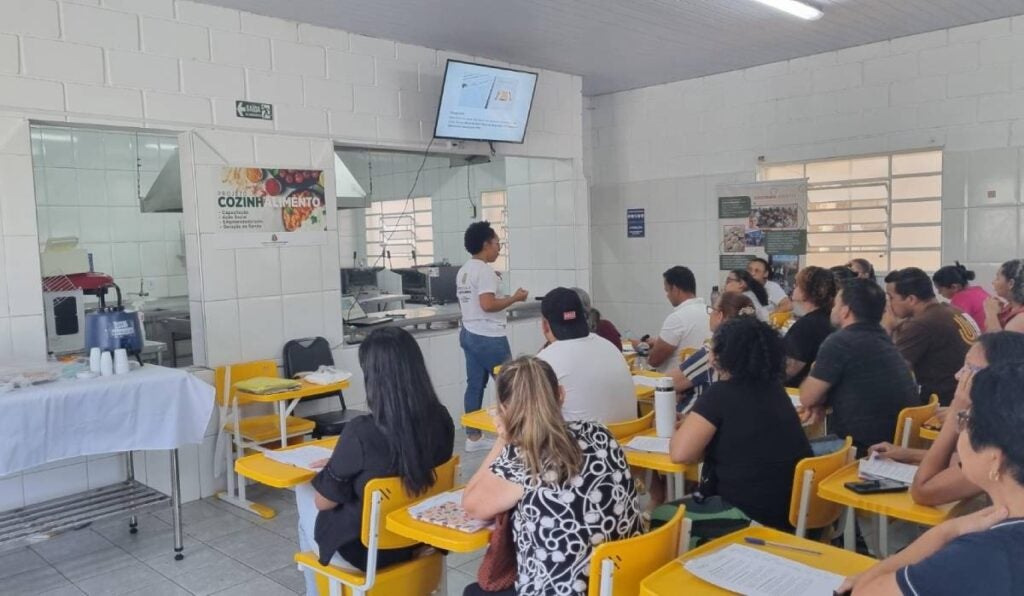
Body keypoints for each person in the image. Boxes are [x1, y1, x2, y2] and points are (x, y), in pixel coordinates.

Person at [462, 356, 643, 596]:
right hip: (620, 581)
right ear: (561, 394)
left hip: (562, 589)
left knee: (473, 592)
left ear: (504, 409)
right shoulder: (600, 433)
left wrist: (504, 439)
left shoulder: (524, 456)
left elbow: (471, 505)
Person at [839, 362, 1024, 596]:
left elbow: (862, 592)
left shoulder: (981, 555)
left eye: (965, 421)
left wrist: (948, 530)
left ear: (994, 460)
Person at [296, 327, 454, 596]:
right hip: (420, 538)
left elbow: (324, 502)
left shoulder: (361, 432)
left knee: (303, 497)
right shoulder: (442, 420)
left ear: (374, 378)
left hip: (367, 553)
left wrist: (335, 468)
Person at [664, 317, 812, 538]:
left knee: (663, 516)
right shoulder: (775, 390)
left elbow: (680, 454)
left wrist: (678, 428)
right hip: (787, 515)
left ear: (720, 356)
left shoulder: (720, 394)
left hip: (743, 518)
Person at [869, 332, 1024, 507]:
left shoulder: (1005, 438)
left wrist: (955, 413)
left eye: (968, 369)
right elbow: (967, 461)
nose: (958, 375)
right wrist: (907, 454)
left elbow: (923, 491)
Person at [800, 278, 919, 455]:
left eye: (836, 303)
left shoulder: (839, 342)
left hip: (859, 447)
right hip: (892, 442)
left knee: (780, 454)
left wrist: (814, 374)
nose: (832, 308)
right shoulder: (883, 339)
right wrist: (820, 402)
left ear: (845, 311)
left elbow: (807, 398)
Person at [457, 221, 528, 452]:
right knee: (511, 385)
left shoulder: (464, 270)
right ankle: (518, 435)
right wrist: (514, 298)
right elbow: (487, 305)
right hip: (489, 337)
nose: (499, 248)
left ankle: (473, 438)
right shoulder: (484, 271)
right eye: (497, 243)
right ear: (486, 244)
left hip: (469, 333)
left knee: (474, 385)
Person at [536, 287, 635, 424]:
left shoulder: (545, 360)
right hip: (624, 438)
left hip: (581, 443)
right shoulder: (609, 346)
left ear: (545, 325)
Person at [887, 267, 979, 406]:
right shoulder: (952, 311)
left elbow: (892, 370)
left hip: (944, 403)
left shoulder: (921, 324)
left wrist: (887, 328)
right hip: (971, 397)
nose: (889, 304)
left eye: (891, 297)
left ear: (911, 299)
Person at [668, 291, 756, 413]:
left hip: (695, 420)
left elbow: (668, 383)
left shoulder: (714, 354)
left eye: (711, 310)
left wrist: (676, 392)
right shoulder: (752, 351)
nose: (709, 315)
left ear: (720, 315)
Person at [645, 266, 710, 373]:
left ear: (675, 289)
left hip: (676, 384)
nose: (667, 296)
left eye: (667, 291)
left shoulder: (677, 318)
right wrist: (659, 342)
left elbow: (654, 361)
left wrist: (647, 349)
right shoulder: (711, 312)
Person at [785, 266, 836, 387]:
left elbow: (790, 369)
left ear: (806, 292)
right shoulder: (829, 318)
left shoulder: (806, 325)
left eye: (797, 285)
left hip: (799, 389)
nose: (794, 288)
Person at [933, 262, 990, 332]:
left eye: (940, 289)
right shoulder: (979, 291)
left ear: (954, 287)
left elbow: (953, 326)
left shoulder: (961, 298)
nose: (939, 292)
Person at [983, 258, 1024, 333]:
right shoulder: (1010, 307)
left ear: (1011, 283)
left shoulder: (1021, 318)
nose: (993, 282)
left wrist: (991, 313)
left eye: (998, 278)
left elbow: (999, 343)